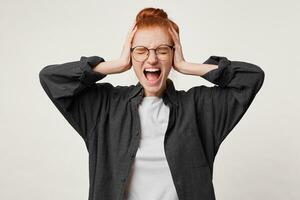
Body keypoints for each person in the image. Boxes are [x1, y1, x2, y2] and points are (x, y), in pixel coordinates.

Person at [39, 7, 265, 200]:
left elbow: (251, 77)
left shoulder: (199, 108)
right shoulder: (104, 107)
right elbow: (51, 78)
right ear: (131, 55)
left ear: (173, 55)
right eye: (141, 50)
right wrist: (116, 64)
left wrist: (188, 66)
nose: (152, 58)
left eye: (162, 50)